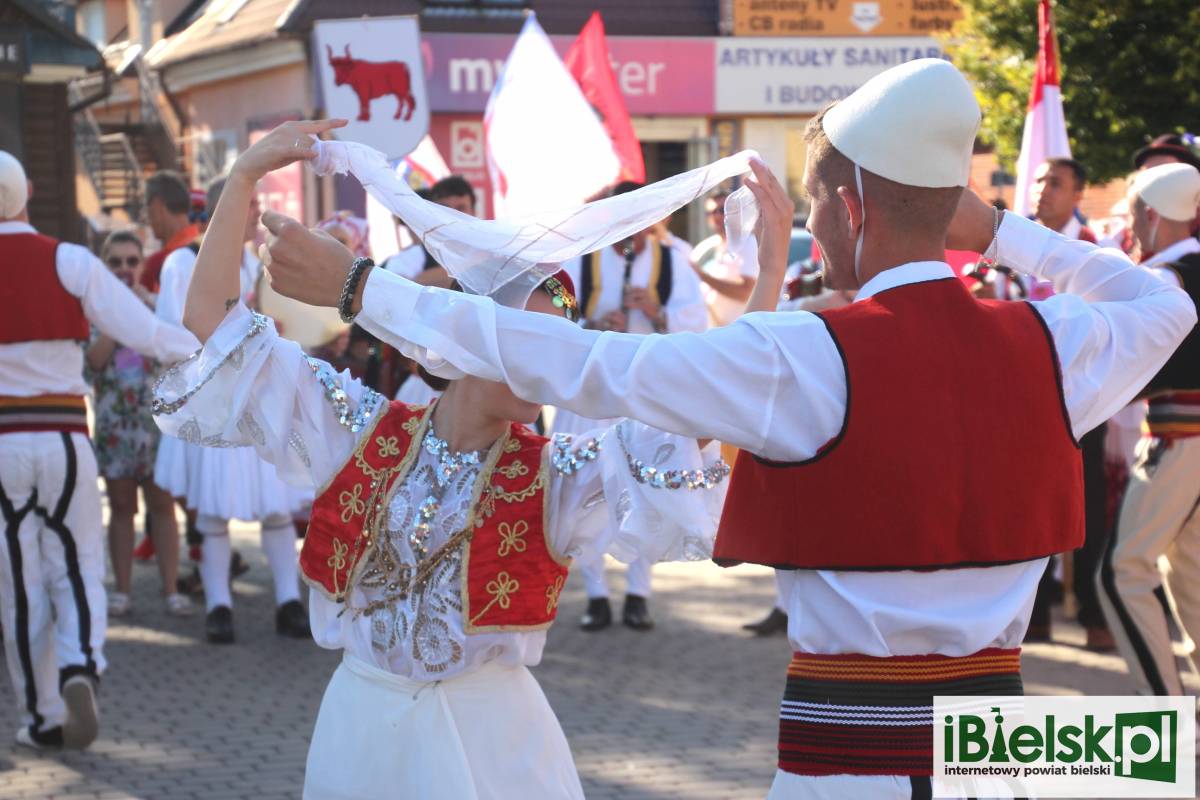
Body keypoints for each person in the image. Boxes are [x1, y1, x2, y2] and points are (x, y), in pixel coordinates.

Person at [256, 59, 1195, 797]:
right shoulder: (1051, 341)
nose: (816, 222)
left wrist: (362, 290)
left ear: (851, 208)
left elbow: (581, 363)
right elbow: (1164, 304)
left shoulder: (802, 355)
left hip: (847, 763)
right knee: (1147, 756)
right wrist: (992, 227)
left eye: (818, 201)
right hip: (1007, 752)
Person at [151, 119, 729, 799]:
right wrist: (244, 176)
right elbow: (213, 325)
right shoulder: (360, 431)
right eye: (525, 341)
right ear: (463, 339)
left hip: (493, 747)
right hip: (363, 733)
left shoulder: (560, 474)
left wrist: (763, 276)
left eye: (557, 345)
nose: (546, 365)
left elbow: (703, 421)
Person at [0, 151, 197, 750]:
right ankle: (80, 663)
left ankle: (43, 718)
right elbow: (145, 331)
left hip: (3, 443)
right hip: (64, 435)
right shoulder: (69, 260)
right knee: (78, 562)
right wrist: (208, 350)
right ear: (27, 194)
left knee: (18, 583)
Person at [153, 177, 309, 645]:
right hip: (212, 401)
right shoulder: (183, 263)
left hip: (260, 399)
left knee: (276, 505)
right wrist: (238, 342)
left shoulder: (255, 263)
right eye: (250, 203)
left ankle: (289, 601)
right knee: (214, 512)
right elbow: (170, 335)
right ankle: (219, 606)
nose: (257, 212)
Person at [556, 179, 707, 632]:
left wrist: (658, 312)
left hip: (646, 390)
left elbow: (698, 323)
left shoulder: (674, 260)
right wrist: (591, 322)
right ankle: (596, 595)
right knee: (586, 490)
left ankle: (639, 594)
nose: (633, 230)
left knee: (645, 489)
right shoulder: (581, 259)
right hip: (592, 389)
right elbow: (554, 318)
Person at [1098, 162, 1200, 697]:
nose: (1131, 225)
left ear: (1154, 215)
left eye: (1136, 213)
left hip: (1179, 438)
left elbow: (1129, 360)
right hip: (1183, 439)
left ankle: (1168, 717)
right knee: (1189, 576)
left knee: (1123, 573)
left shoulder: (1164, 278)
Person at [1023, 157, 1116, 652]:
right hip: (1023, 397)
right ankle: (1034, 614)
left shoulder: (1096, 250)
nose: (1043, 189)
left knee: (1088, 507)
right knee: (1027, 504)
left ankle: (1093, 612)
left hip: (1082, 397)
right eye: (1039, 180)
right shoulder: (1014, 246)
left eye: (1055, 183)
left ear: (1079, 194)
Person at [85, 231, 193, 618]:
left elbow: (178, 355)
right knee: (120, 508)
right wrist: (118, 317)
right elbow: (92, 363)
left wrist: (143, 311)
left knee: (162, 506)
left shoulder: (156, 308)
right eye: (115, 262)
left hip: (156, 424)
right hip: (116, 425)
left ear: (142, 264)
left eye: (131, 261)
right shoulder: (94, 309)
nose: (124, 269)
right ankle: (122, 591)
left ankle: (171, 590)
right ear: (104, 266)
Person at [690, 191, 760, 327]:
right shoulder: (706, 246)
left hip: (738, 332)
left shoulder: (748, 244)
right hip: (711, 331)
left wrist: (703, 276)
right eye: (711, 212)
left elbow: (746, 293)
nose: (717, 216)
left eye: (722, 210)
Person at [138, 171, 200, 294]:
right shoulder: (209, 247)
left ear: (157, 205)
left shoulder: (158, 264)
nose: (146, 217)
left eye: (147, 206)